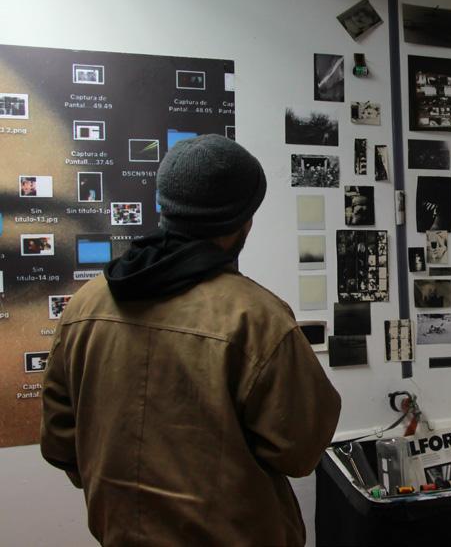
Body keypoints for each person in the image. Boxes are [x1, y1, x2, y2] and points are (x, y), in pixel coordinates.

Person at [41, 134, 341, 546]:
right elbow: (300, 450)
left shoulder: (86, 304)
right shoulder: (257, 318)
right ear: (243, 221)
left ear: (165, 206)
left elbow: (60, 440)